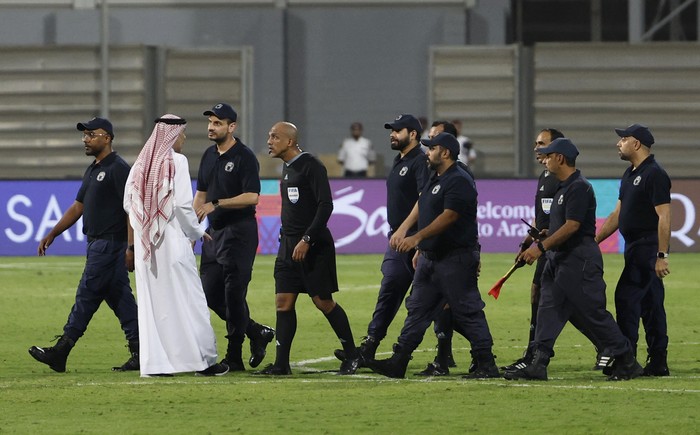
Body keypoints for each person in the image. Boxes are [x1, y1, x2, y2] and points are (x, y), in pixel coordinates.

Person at [504, 138, 643, 381]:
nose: (544, 160)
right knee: (548, 310)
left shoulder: (579, 187)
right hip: (559, 259)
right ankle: (539, 363)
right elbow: (563, 225)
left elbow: (573, 226)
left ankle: (626, 359)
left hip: (579, 260)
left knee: (592, 313)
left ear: (560, 158)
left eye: (548, 155)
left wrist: (540, 248)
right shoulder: (562, 187)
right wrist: (547, 234)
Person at [369, 132, 500, 379]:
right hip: (431, 257)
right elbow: (422, 204)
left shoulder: (459, 179)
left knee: (467, 310)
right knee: (417, 309)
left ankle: (486, 363)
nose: (427, 152)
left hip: (455, 258)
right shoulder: (434, 176)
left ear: (446, 153)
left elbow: (449, 216)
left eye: (431, 149)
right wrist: (409, 233)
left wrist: (417, 238)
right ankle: (399, 360)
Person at [29, 117, 139, 373]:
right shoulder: (93, 169)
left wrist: (131, 247)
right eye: (85, 135)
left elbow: (131, 210)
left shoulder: (118, 169)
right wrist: (53, 232)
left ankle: (62, 350)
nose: (85, 139)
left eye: (91, 135)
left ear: (107, 138)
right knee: (121, 300)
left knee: (86, 295)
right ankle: (141, 350)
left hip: (110, 245)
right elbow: (78, 207)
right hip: (97, 244)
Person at [124, 115, 227, 377]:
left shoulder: (140, 164)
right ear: (172, 135)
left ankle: (158, 364)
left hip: (147, 245)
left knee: (155, 306)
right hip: (172, 240)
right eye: (182, 134)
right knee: (191, 301)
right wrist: (196, 231)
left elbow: (128, 204)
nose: (183, 138)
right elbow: (182, 204)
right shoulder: (175, 161)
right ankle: (204, 362)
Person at [257, 121, 360, 375]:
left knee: (323, 302)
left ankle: (353, 355)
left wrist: (307, 239)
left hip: (313, 246)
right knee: (283, 303)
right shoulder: (288, 167)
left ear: (290, 141)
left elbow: (326, 205)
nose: (269, 141)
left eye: (274, 137)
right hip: (288, 246)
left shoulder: (311, 165)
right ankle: (281, 364)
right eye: (269, 136)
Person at [334, 114, 429, 368]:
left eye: (398, 130)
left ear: (413, 134)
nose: (392, 134)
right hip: (398, 239)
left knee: (437, 301)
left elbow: (425, 200)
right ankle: (370, 347)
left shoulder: (420, 160)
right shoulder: (400, 161)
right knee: (389, 291)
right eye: (391, 130)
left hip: (416, 239)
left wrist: (409, 233)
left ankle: (468, 354)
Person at [194, 103, 274, 372]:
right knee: (209, 294)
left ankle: (234, 356)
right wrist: (192, 227)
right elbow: (201, 194)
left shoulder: (244, 157)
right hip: (213, 235)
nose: (211, 127)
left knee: (233, 295)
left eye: (217, 123)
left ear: (232, 127)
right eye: (210, 122)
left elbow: (252, 196)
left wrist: (217, 204)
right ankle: (255, 332)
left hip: (239, 232)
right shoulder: (207, 155)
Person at [595, 124, 671, 376]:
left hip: (647, 247)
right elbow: (617, 214)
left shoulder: (655, 174)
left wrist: (662, 255)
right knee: (651, 304)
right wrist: (594, 241)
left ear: (636, 144)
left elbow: (664, 217)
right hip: (634, 247)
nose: (619, 143)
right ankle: (658, 361)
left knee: (626, 299)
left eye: (623, 139)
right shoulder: (630, 174)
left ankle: (625, 360)